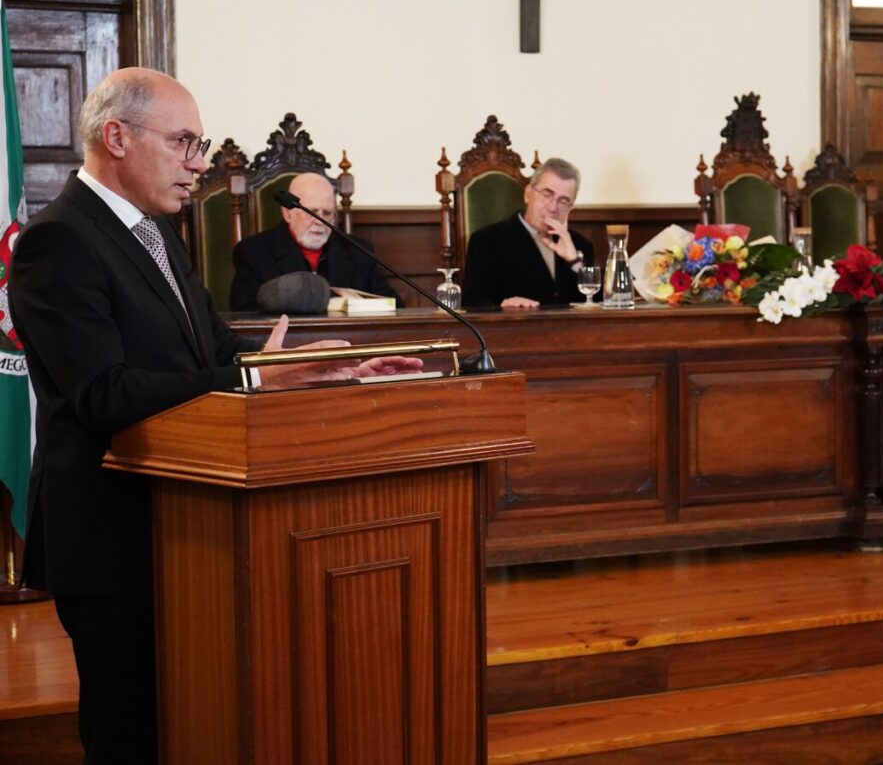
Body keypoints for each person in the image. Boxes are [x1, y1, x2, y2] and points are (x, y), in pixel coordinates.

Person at [8, 67, 421, 764]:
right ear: (116, 136)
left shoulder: (157, 232)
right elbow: (105, 394)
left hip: (188, 524)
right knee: (130, 730)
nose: (199, 165)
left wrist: (306, 369)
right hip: (113, 532)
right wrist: (246, 374)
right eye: (184, 143)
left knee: (194, 721)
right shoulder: (60, 242)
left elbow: (212, 345)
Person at [229, 172, 402, 311]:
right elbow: (244, 313)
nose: (319, 221)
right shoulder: (253, 252)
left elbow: (395, 307)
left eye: (327, 213)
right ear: (288, 214)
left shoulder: (358, 252)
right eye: (311, 212)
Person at [462, 157, 594, 308]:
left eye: (563, 201)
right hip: (515, 329)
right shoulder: (487, 241)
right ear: (528, 194)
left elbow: (596, 306)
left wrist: (574, 261)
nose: (552, 207)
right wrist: (501, 307)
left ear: (570, 208)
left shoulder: (580, 245)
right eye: (546, 194)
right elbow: (472, 303)